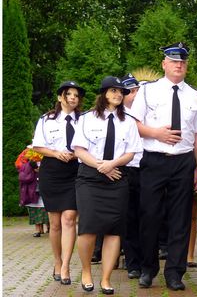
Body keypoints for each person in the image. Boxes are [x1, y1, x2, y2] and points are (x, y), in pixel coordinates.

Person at [130, 41, 197, 291]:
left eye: (182, 62)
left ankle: (175, 273)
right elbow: (134, 125)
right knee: (149, 215)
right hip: (154, 159)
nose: (179, 65)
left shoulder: (195, 96)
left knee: (180, 219)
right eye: (174, 61)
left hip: (183, 162)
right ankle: (148, 269)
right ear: (164, 64)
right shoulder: (148, 92)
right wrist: (155, 133)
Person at [72, 76, 142, 294]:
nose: (118, 94)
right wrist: (101, 166)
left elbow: (132, 152)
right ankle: (85, 271)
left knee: (114, 229)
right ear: (103, 93)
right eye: (113, 91)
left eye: (121, 92)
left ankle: (106, 278)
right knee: (88, 228)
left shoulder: (129, 121)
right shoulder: (87, 118)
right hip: (90, 178)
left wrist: (112, 164)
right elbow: (79, 149)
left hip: (118, 177)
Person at [32, 81, 85, 285]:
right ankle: (57, 260)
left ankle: (65, 267)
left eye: (76, 95)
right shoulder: (47, 120)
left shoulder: (84, 120)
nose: (73, 97)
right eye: (68, 94)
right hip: (52, 172)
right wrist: (55, 153)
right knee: (54, 224)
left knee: (70, 218)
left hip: (75, 171)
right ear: (60, 97)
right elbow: (38, 146)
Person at [120, 73, 144, 279]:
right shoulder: (119, 116)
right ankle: (132, 262)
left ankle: (147, 260)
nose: (135, 95)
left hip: (148, 168)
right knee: (129, 218)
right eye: (130, 91)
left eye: (137, 90)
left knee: (149, 216)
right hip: (127, 170)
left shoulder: (147, 112)